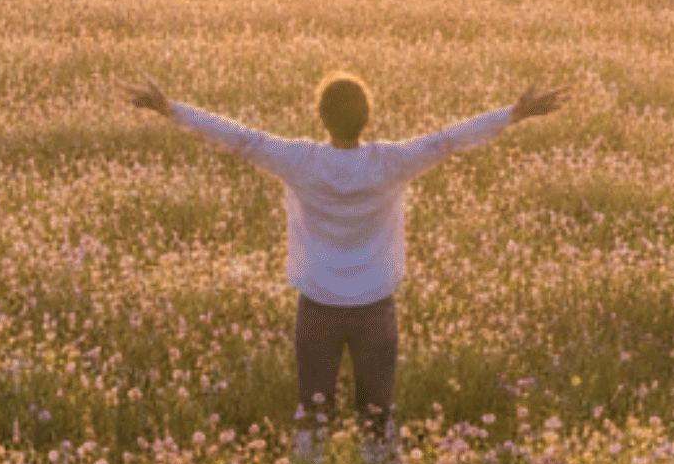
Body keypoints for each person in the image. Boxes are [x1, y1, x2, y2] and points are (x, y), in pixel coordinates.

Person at [125, 73, 566, 435]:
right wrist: (514, 114)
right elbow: (447, 141)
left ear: (320, 117)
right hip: (375, 309)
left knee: (313, 419)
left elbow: (240, 139)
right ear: (367, 118)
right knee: (377, 420)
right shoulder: (390, 162)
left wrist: (169, 108)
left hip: (317, 308)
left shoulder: (300, 161)